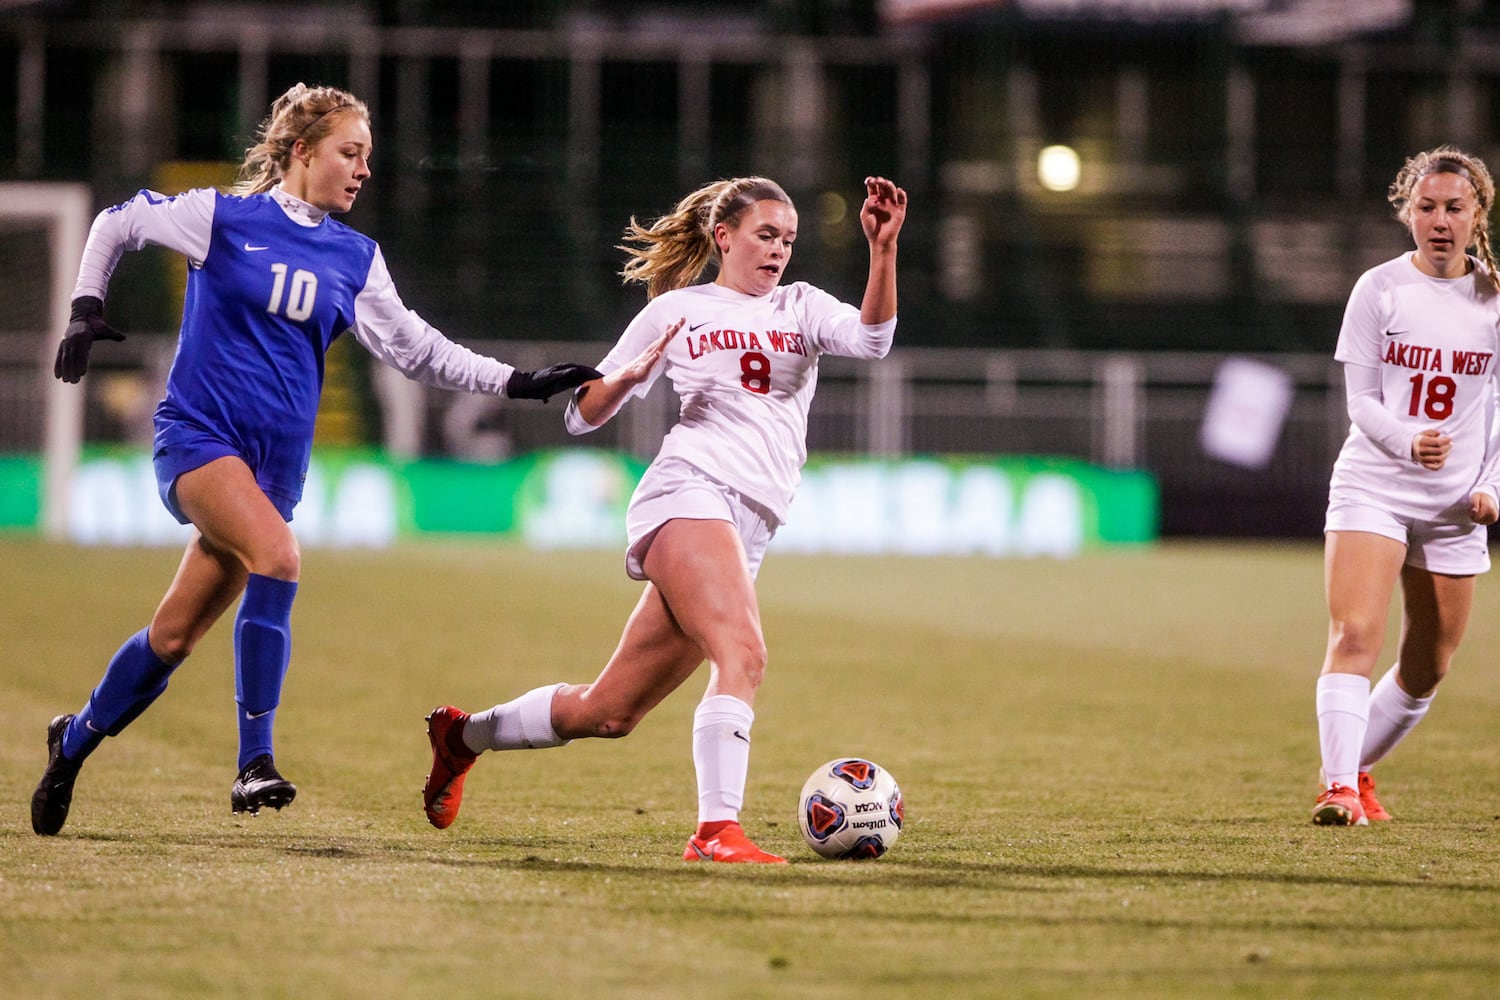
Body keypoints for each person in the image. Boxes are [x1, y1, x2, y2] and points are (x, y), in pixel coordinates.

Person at [31, 83, 599, 836]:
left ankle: (70, 743)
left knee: (173, 638)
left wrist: (519, 383)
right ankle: (252, 764)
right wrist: (84, 306)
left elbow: (419, 350)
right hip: (198, 439)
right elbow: (117, 221)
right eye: (350, 153)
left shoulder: (355, 257)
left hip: (273, 472)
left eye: (368, 157)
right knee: (279, 557)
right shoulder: (224, 218)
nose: (363, 170)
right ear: (301, 152)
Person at [422, 174, 907, 862]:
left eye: (789, 240)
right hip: (690, 492)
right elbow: (581, 414)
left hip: (751, 521)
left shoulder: (801, 307)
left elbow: (874, 340)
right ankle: (716, 831)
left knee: (608, 712)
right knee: (743, 653)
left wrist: (881, 251)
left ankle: (462, 737)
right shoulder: (678, 310)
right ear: (724, 236)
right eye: (766, 235)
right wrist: (620, 380)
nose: (778, 250)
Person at [1312, 145, 1500, 826]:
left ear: (1478, 212)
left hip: (1456, 504)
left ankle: (1353, 767)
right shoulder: (1379, 289)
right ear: (1408, 212)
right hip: (1375, 484)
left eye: (1454, 207)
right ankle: (1338, 790)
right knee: (1355, 632)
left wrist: (1493, 487)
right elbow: (1361, 403)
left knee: (1430, 663)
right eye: (1427, 207)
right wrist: (1406, 440)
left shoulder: (1493, 300)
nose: (1440, 220)